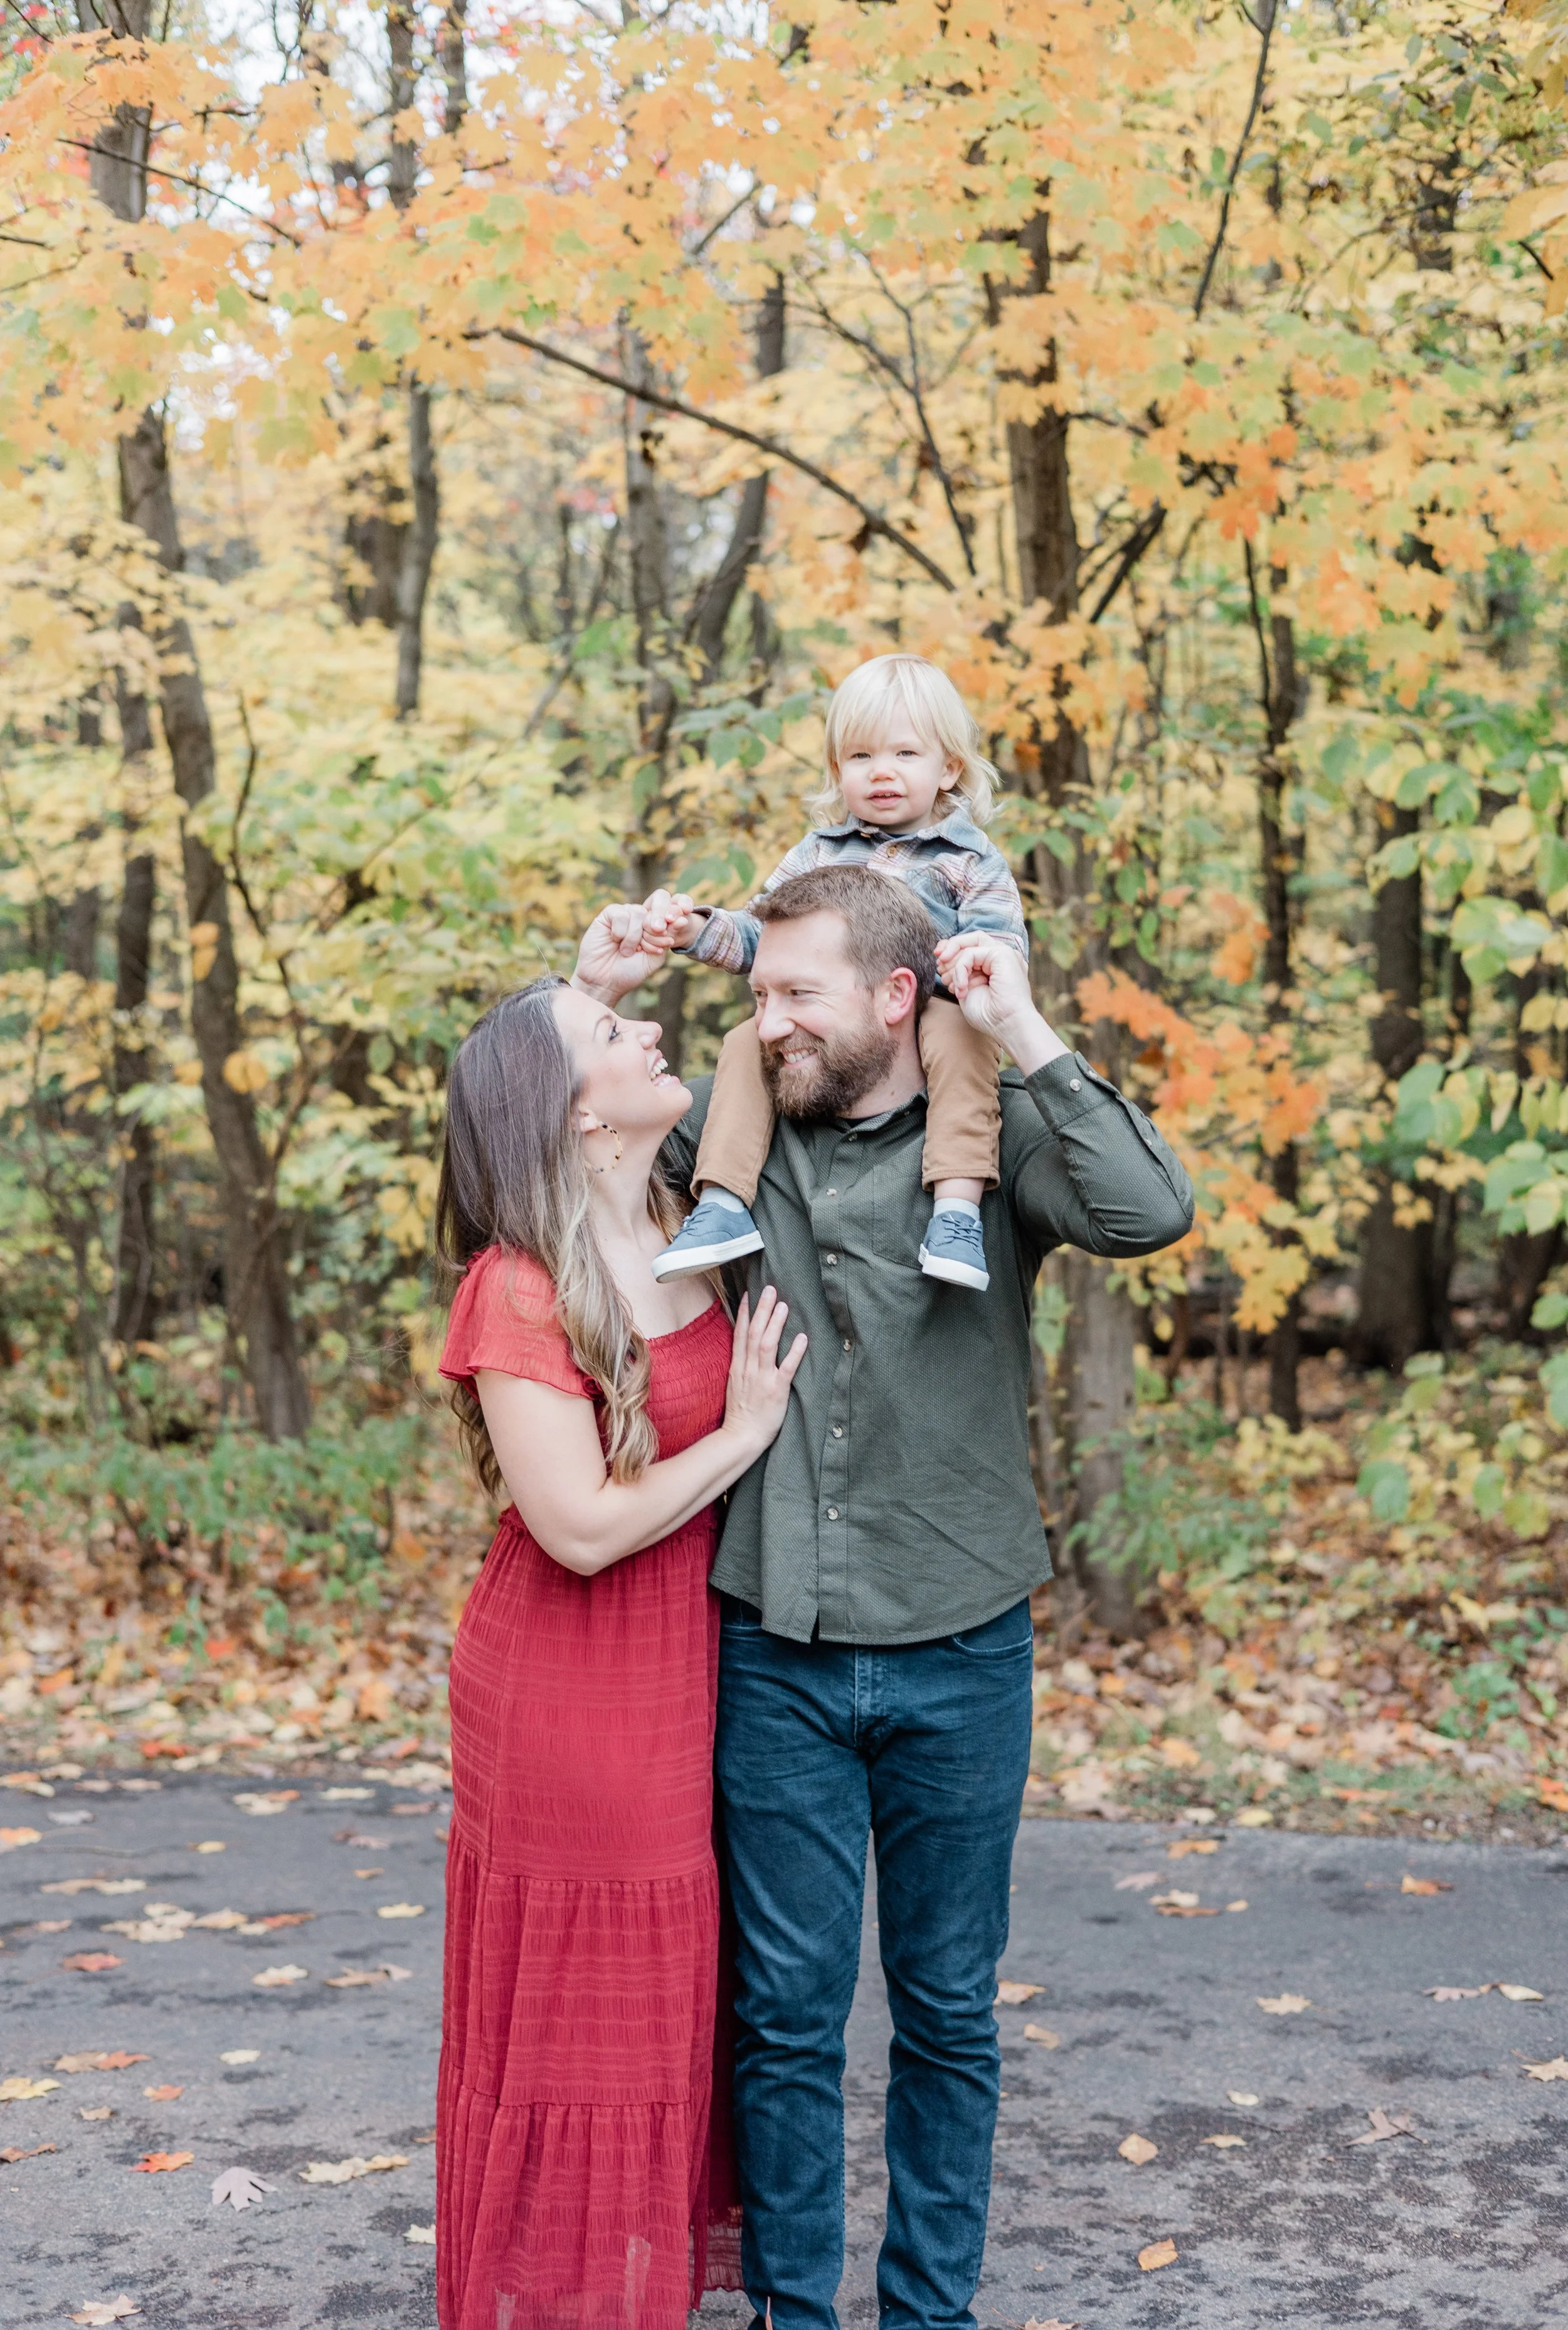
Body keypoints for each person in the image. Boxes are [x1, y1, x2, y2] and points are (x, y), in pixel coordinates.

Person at [572, 866, 1195, 2330]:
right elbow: (540, 1148)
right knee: (783, 2016)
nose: (766, 1021)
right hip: (775, 1640)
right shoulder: (732, 1149)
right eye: (758, 993)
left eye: (798, 995)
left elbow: (1150, 1207)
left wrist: (1026, 1025)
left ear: (894, 995)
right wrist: (590, 992)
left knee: (949, 2013)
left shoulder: (995, 1146)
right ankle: (798, 2310)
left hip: (965, 1640)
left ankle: (928, 2313)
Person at [430, 973, 807, 2330]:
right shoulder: (520, 1285)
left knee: (665, 2010)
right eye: (612, 1036)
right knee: (590, 2015)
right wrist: (742, 1438)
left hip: (687, 1670)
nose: (648, 1040)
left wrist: (612, 970)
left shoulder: (681, 1216)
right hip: (568, 1686)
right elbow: (579, 1529)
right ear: (576, 1115)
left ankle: (620, 2293)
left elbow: (783, 1028)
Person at [647, 652, 1027, 1294]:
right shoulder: (818, 853)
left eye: (905, 754)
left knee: (963, 1040)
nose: (881, 772)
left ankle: (957, 1211)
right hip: (832, 1021)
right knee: (747, 1039)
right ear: (836, 771)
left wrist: (974, 960)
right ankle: (722, 1203)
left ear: (948, 768)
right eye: (859, 757)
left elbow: (1001, 945)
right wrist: (693, 931)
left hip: (929, 1003)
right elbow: (758, 938)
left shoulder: (969, 860)